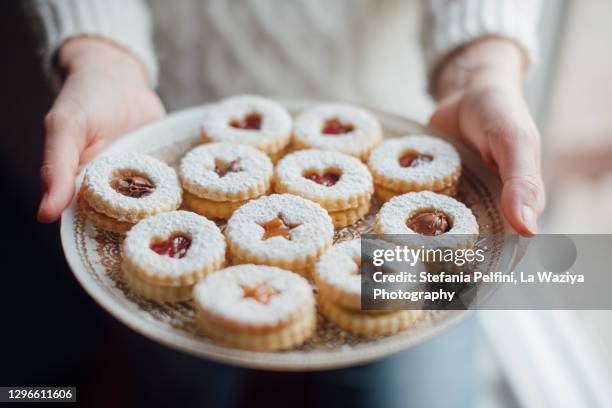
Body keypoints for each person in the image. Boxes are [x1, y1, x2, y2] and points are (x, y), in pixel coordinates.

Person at [27, 1, 545, 407]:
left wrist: (482, 71)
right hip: (170, 129)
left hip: (408, 125)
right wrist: (102, 59)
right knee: (172, 385)